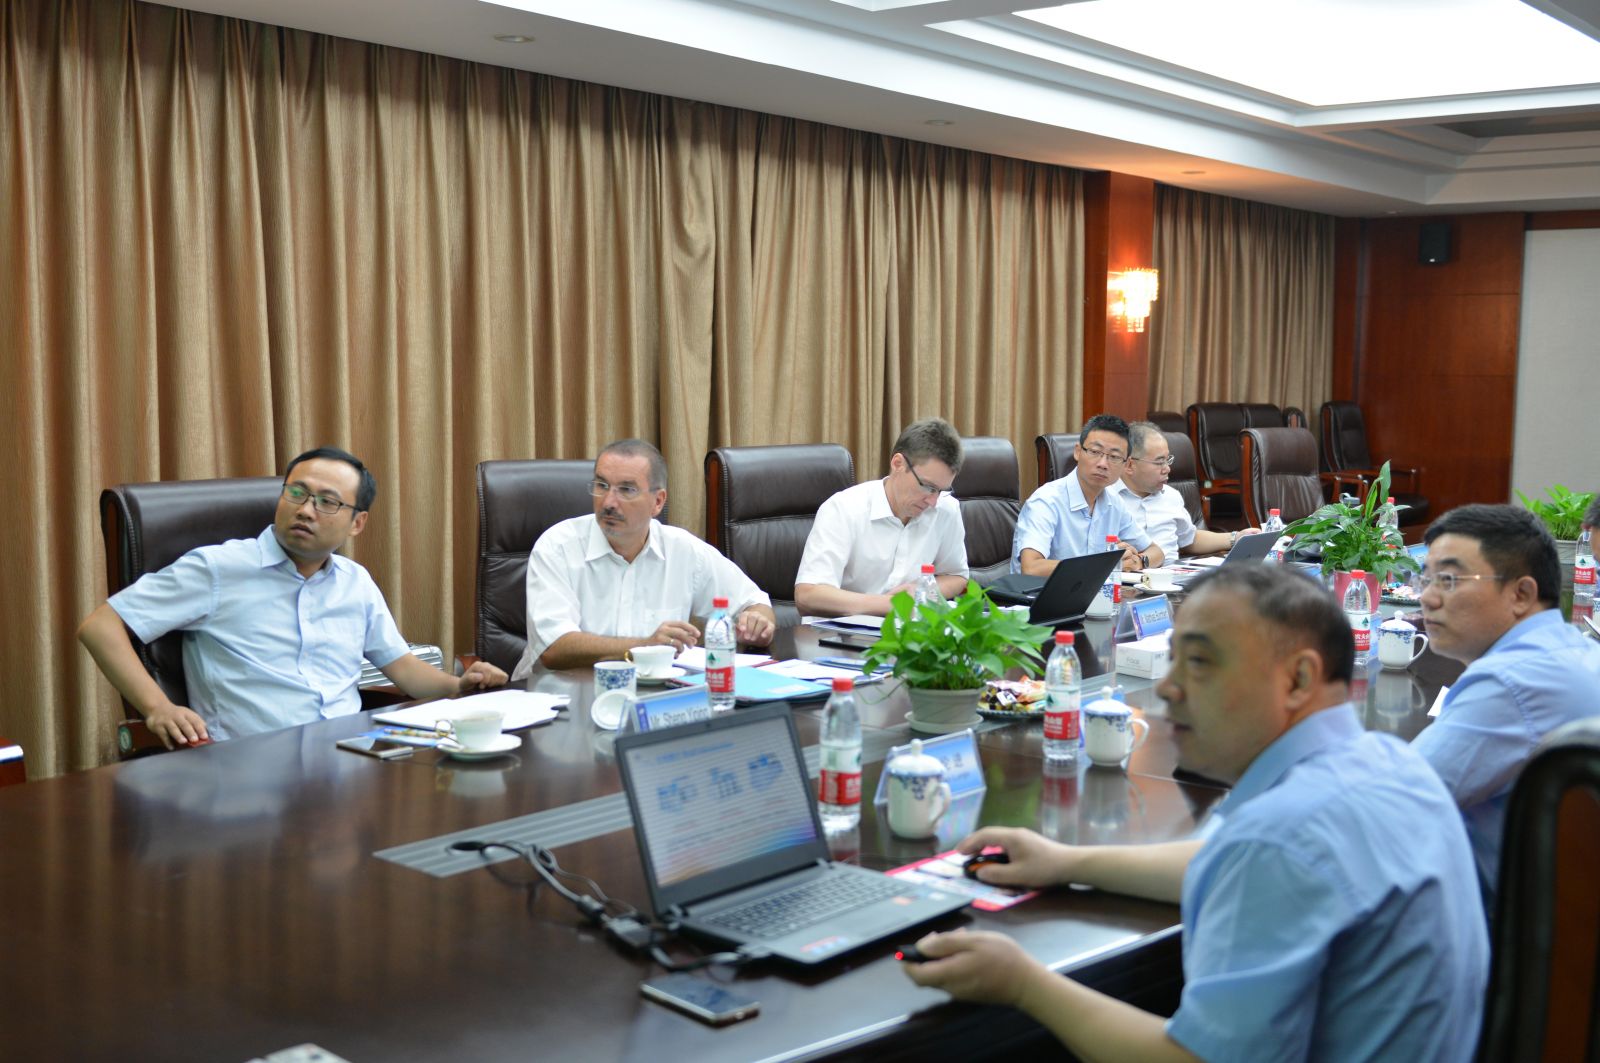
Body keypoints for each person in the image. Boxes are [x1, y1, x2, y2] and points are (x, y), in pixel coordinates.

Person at [903, 564, 1487, 1062]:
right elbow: (1225, 861)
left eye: (1200, 663)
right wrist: (1065, 861)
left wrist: (1023, 983)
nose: (1169, 688)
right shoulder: (1389, 760)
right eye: (1173, 660)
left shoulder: (1279, 839)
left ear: (1299, 677)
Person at [79, 446, 507, 748]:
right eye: (296, 493)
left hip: (349, 761)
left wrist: (459, 685)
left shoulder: (355, 582)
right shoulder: (218, 569)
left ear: (357, 524)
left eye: (327, 502)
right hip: (248, 770)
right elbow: (100, 626)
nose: (305, 510)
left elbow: (405, 671)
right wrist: (157, 707)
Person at [1412, 503, 1600, 905]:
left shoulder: (1511, 682)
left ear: (1521, 594)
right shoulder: (1573, 647)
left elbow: (1396, 798)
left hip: (1497, 923)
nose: (1426, 597)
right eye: (1425, 578)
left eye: (1448, 580)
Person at [513, 439, 776, 677]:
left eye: (626, 490)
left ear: (658, 502)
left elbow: (755, 603)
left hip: (653, 699)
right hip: (564, 701)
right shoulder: (557, 547)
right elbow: (553, 648)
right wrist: (645, 646)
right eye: (602, 486)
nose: (609, 502)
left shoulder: (682, 550)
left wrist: (758, 623)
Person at [794, 418, 970, 617]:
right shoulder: (843, 509)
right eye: (928, 487)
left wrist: (920, 591)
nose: (933, 501)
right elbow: (808, 595)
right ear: (898, 464)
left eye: (941, 490)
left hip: (910, 631)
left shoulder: (946, 509)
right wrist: (892, 605)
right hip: (842, 632)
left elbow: (956, 575)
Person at [1012, 413, 1161, 577]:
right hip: (1042, 592)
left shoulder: (1114, 503)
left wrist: (1138, 561)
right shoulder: (1046, 501)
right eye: (1095, 452)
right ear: (1078, 452)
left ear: (1127, 464)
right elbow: (1032, 568)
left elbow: (1156, 552)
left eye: (1114, 457)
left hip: (1094, 592)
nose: (1103, 464)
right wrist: (1104, 565)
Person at [1110, 421, 1257, 560]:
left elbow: (1190, 540)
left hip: (1174, 573)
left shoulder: (1170, 495)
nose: (1167, 469)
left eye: (1168, 460)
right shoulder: (1107, 499)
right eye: (1159, 462)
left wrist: (1237, 538)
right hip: (1129, 575)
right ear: (1130, 465)